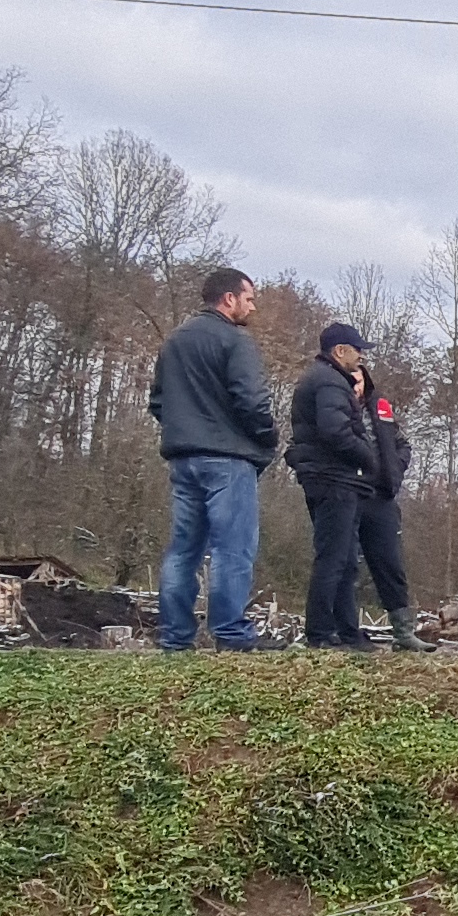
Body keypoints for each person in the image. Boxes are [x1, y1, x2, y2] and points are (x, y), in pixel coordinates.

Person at [150, 267, 280, 652]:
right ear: (229, 299)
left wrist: (183, 430)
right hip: (228, 459)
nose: (253, 307)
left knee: (182, 549)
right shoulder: (235, 342)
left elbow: (157, 401)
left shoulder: (174, 342)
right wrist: (267, 438)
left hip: (183, 457)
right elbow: (252, 401)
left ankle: (174, 638)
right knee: (231, 548)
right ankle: (230, 634)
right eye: (250, 298)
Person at [286, 321, 379, 651]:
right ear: (340, 351)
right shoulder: (329, 382)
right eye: (358, 351)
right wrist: (369, 457)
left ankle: (345, 631)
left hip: (330, 477)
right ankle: (321, 632)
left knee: (344, 559)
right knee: (334, 557)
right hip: (333, 479)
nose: (361, 358)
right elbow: (335, 431)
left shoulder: (324, 379)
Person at [349, 344, 424, 652]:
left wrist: (394, 469)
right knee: (343, 565)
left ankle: (404, 631)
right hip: (346, 494)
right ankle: (344, 628)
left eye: (359, 379)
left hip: (380, 496)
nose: (355, 385)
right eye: (350, 380)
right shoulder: (330, 405)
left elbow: (402, 444)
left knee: (390, 564)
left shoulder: (380, 407)